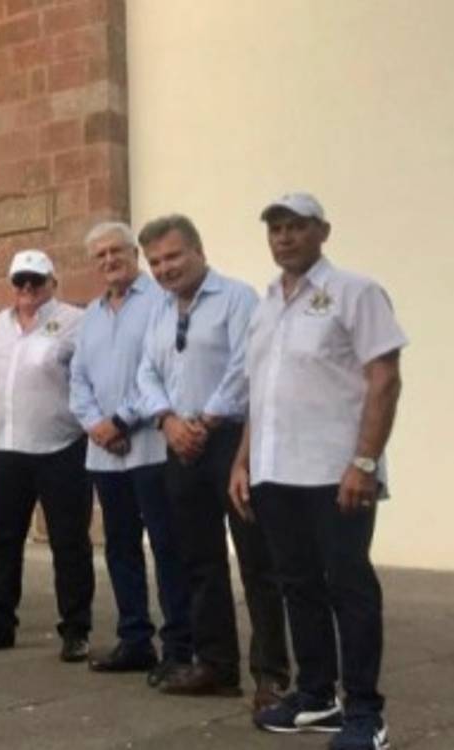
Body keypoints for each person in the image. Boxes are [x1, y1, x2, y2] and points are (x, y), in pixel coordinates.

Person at [233, 193, 404, 749]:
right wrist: (242, 461)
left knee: (348, 586)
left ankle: (364, 712)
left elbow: (384, 378)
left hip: (337, 475)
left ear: (322, 231)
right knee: (297, 586)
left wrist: (364, 461)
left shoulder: (355, 292)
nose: (284, 237)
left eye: (296, 227)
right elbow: (261, 393)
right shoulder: (266, 306)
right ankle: (316, 696)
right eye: (276, 228)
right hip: (275, 472)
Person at [134, 214, 290, 711]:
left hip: (229, 444)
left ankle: (271, 673)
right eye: (156, 261)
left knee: (256, 561)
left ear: (199, 250)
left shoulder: (237, 299)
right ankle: (217, 666)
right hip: (179, 446)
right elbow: (145, 373)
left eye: (174, 256)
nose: (165, 268)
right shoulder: (158, 311)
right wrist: (167, 420)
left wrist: (205, 419)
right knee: (199, 560)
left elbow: (248, 364)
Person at [70, 222, 193, 685]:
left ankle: (180, 644)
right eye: (99, 255)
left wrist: (120, 420)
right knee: (120, 548)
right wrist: (94, 426)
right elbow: (77, 379)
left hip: (151, 448)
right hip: (105, 455)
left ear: (134, 254)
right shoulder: (92, 315)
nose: (108, 261)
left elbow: (160, 371)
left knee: (168, 548)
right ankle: (135, 638)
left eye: (116, 251)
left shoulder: (160, 301)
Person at [0, 250, 93, 661]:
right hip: (8, 448)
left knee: (69, 543)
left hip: (61, 447)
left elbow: (89, 377)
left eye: (36, 282)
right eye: (20, 282)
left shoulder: (75, 321)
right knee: (2, 542)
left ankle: (76, 629)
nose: (28, 290)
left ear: (52, 282)